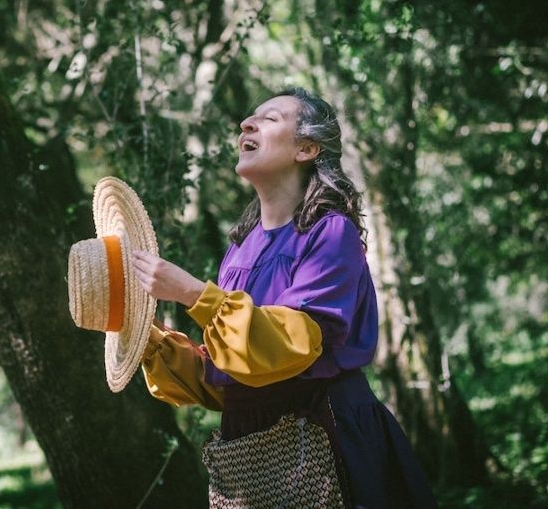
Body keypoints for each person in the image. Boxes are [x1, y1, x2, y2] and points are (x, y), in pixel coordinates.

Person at [131, 88, 437, 508]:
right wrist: (148, 342)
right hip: (247, 454)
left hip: (320, 437)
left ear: (307, 148)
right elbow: (234, 375)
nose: (246, 124)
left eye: (270, 118)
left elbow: (290, 346)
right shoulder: (239, 251)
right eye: (250, 118)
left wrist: (191, 293)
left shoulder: (330, 233)